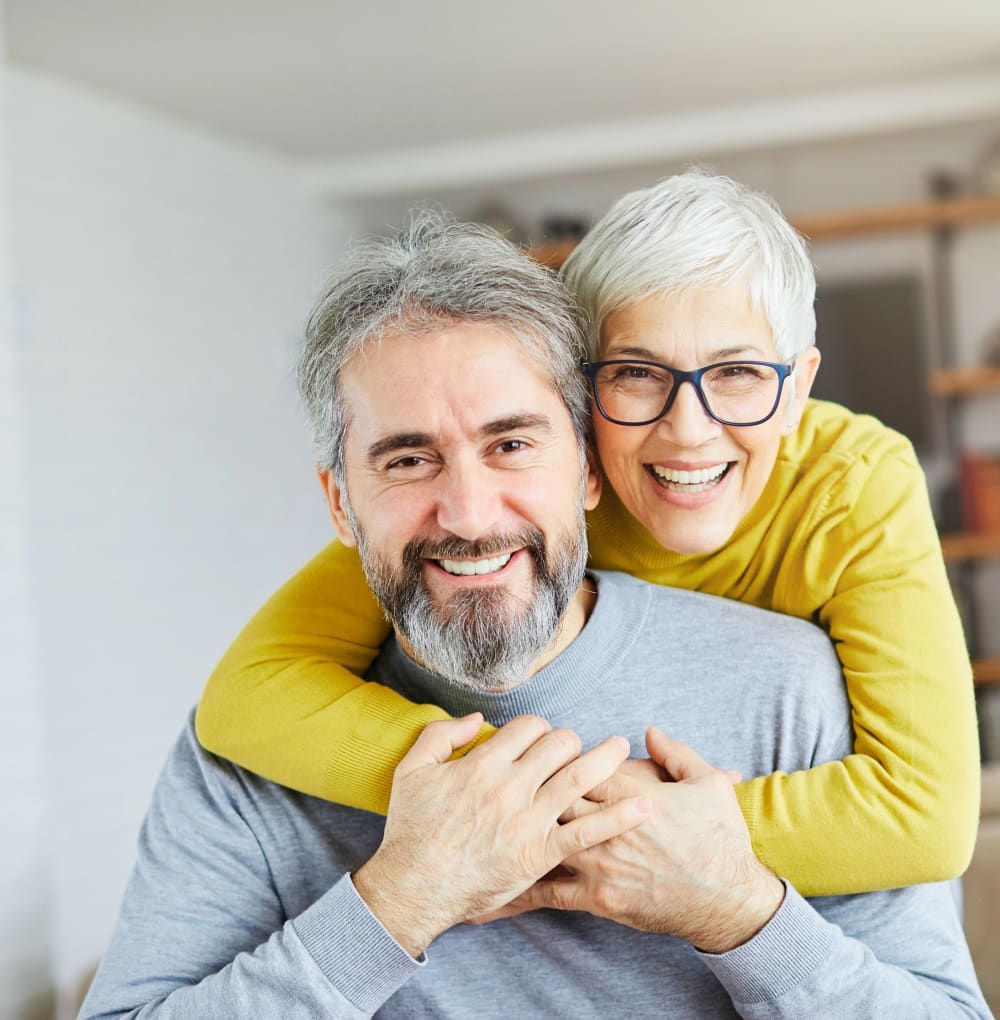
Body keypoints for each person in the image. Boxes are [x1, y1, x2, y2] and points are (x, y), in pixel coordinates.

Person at [82, 215, 988, 1018]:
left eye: (511, 443)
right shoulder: (244, 758)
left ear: (586, 467)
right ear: (340, 503)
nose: (469, 514)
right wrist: (399, 901)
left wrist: (737, 910)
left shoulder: (795, 680)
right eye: (406, 461)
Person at [196, 171, 979, 896]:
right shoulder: (528, 493)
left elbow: (925, 819)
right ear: (578, 398)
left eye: (738, 374)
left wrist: (640, 827)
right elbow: (246, 698)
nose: (690, 432)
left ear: (797, 388)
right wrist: (503, 793)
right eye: (637, 374)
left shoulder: (856, 484)